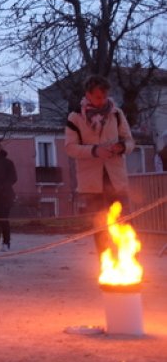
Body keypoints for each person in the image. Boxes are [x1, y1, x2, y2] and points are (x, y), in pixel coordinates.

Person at [65, 74, 135, 253]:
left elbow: (130, 141)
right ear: (87, 94)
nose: (102, 101)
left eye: (104, 97)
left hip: (116, 180)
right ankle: (107, 266)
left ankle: (126, 262)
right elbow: (70, 148)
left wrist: (121, 147)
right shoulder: (75, 118)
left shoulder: (116, 114)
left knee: (125, 222)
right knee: (100, 227)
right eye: (97, 97)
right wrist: (94, 151)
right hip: (91, 183)